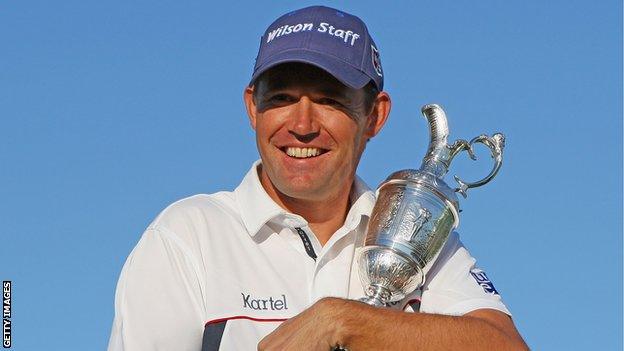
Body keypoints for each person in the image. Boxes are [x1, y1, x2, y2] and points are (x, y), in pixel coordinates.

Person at [108, 5, 528, 351]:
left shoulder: (414, 234)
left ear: (375, 116)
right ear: (252, 108)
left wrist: (346, 322)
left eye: (329, 100)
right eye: (282, 99)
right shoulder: (187, 235)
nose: (303, 124)